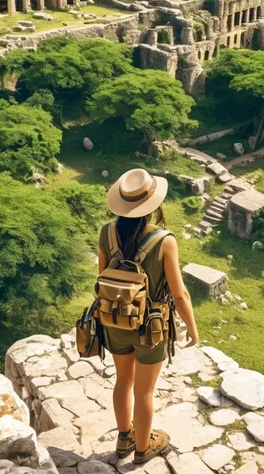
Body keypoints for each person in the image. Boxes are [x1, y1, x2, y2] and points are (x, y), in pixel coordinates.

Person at [98, 168, 199, 465]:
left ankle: (124, 436)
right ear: (154, 205)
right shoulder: (164, 241)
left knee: (123, 382)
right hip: (151, 328)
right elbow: (179, 293)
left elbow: (101, 278)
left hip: (114, 321)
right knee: (145, 391)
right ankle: (143, 448)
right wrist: (191, 328)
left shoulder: (106, 232)